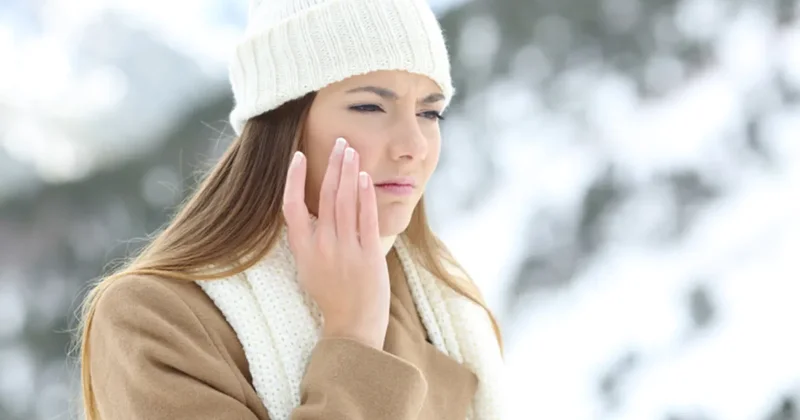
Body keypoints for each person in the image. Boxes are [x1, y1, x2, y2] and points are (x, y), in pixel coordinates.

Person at [76, 0, 506, 419]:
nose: (414, 146)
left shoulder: (440, 303)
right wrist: (353, 336)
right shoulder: (154, 318)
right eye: (369, 107)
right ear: (283, 123)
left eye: (430, 113)